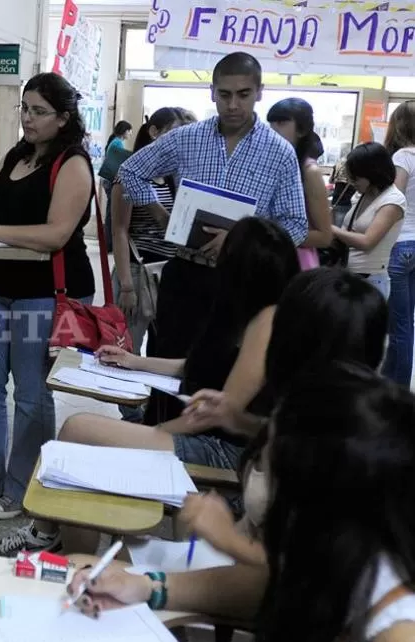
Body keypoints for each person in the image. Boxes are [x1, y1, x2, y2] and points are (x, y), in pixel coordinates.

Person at [0, 217, 299, 556]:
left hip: (223, 448)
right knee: (80, 442)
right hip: (206, 434)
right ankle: (59, 539)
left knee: (78, 431)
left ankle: (54, 538)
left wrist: (159, 431)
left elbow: (223, 411)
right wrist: (133, 361)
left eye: (219, 254)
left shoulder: (268, 321)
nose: (211, 259)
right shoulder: (240, 312)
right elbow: (196, 367)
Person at [67, 363, 415, 642]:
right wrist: (147, 586)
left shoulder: (398, 633)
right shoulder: (345, 551)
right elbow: (270, 585)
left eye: (272, 474)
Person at [0, 72, 95, 520]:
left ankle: (23, 487)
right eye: (24, 108)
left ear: (64, 118)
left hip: (44, 296)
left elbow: (56, 234)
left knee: (30, 394)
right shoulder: (14, 157)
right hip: (0, 290)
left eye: (39, 111)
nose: (28, 118)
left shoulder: (73, 164)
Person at [118, 54, 307, 405]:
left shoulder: (279, 152)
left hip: (241, 283)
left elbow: (295, 223)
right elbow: (129, 171)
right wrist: (161, 214)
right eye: (224, 94)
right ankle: (160, 443)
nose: (233, 104)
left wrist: (243, 242)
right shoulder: (186, 138)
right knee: (166, 380)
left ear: (259, 92)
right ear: (212, 93)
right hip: (185, 274)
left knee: (221, 379)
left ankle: (209, 454)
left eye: (243, 94)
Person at [177, 267, 389, 566]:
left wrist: (226, 538)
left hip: (274, 595)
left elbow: (312, 570)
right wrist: (237, 419)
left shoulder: (350, 449)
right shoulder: (311, 406)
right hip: (243, 571)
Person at [110, 107, 196, 422]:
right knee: (128, 348)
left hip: (170, 275)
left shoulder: (177, 176)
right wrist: (127, 286)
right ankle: (129, 416)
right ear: (156, 132)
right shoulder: (130, 174)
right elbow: (119, 230)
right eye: (176, 133)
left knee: (164, 350)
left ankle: (155, 416)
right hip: (136, 270)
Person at [332, 143, 406, 300]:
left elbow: (367, 242)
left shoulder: (393, 200)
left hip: (370, 282)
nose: (352, 182)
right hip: (348, 276)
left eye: (356, 177)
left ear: (372, 173)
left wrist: (330, 229)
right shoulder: (362, 195)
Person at [266, 98, 333, 269]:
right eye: (271, 123)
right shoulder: (274, 164)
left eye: (281, 122)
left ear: (301, 129)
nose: (273, 129)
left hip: (296, 261)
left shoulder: (310, 172)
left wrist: (268, 235)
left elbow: (325, 236)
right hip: (269, 257)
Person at [383, 100, 415, 386]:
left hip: (401, 243)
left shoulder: (403, 156)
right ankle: (390, 382)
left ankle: (398, 390)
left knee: (399, 325)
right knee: (407, 322)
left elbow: (395, 199)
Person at [99, 120, 135, 252]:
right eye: (129, 130)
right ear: (125, 131)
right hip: (112, 180)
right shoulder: (118, 143)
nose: (130, 133)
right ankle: (109, 244)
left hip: (107, 180)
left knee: (110, 212)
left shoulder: (114, 141)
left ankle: (107, 243)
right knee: (111, 213)